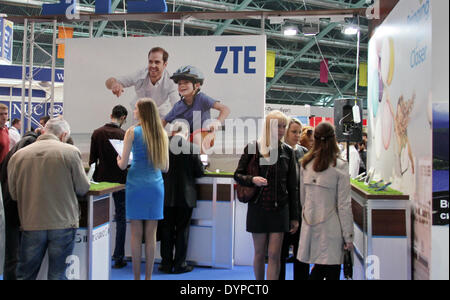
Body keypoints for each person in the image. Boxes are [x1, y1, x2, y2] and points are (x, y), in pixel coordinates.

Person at [7, 117, 90, 280]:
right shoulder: (70, 152)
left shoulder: (18, 156)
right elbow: (82, 188)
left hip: (31, 222)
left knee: (25, 274)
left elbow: (14, 193)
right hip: (63, 222)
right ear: (63, 135)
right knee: (57, 274)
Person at [234, 110, 299, 280]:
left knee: (275, 254)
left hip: (280, 209)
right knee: (259, 253)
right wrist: (252, 179)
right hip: (258, 206)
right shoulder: (253, 148)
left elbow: (293, 187)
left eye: (284, 126)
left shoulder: (288, 152)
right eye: (278, 126)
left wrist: (295, 217)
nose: (282, 130)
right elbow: (237, 174)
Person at [117, 98, 169, 280]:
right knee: (151, 234)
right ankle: (148, 277)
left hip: (136, 185)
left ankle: (137, 278)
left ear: (143, 112)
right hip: (155, 185)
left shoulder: (132, 132)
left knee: (135, 234)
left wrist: (118, 159)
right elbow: (165, 167)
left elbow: (123, 165)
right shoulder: (161, 134)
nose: (134, 111)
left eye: (136, 108)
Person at [297, 122, 354, 281]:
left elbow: (302, 199)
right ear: (334, 139)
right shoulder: (340, 166)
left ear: (314, 139)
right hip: (332, 227)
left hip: (310, 224)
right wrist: (348, 236)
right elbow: (344, 205)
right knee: (330, 271)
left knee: (319, 269)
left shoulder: (306, 164)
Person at [159, 123, 205, 274]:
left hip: (165, 195)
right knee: (182, 230)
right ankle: (180, 264)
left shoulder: (162, 146)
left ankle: (165, 264)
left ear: (172, 131)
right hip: (186, 196)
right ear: (186, 134)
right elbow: (199, 172)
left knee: (166, 229)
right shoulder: (192, 148)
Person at [89, 104, 128, 269]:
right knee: (121, 217)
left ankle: (95, 253)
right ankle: (118, 256)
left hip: (101, 181)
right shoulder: (124, 134)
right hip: (120, 181)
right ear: (123, 118)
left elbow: (92, 160)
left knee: (97, 218)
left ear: (110, 114)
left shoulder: (97, 133)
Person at [0, 129, 39, 280]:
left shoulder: (14, 155)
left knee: (13, 253)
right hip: (13, 208)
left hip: (11, 207)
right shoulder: (23, 155)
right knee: (14, 254)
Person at [105, 47, 178, 118]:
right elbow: (108, 82)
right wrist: (114, 84)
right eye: (150, 62)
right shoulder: (139, 75)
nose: (153, 65)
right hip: (140, 113)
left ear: (165, 64)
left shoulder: (171, 81)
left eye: (157, 62)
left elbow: (176, 105)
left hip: (160, 113)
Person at [279, 118, 310, 280]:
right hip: (283, 208)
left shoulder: (305, 152)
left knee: (302, 254)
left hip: (302, 208)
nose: (298, 135)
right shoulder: (279, 151)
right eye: (294, 132)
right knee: (280, 254)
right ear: (285, 132)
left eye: (299, 132)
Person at [162, 65, 230, 134]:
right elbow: (164, 121)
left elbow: (225, 109)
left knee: (196, 137)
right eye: (179, 84)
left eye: (186, 82)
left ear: (197, 85)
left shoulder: (202, 98)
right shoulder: (178, 106)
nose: (182, 85)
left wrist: (217, 122)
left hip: (204, 137)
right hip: (187, 139)